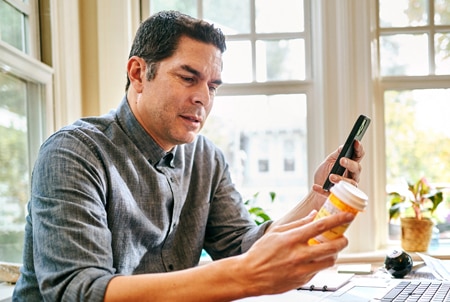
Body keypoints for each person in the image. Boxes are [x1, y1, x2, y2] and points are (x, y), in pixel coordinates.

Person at [13, 10, 365, 302]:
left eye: (212, 86)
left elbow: (240, 247)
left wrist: (319, 194)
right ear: (138, 73)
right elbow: (79, 292)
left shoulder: (206, 158)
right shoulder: (74, 153)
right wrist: (242, 275)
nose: (203, 99)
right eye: (188, 77)